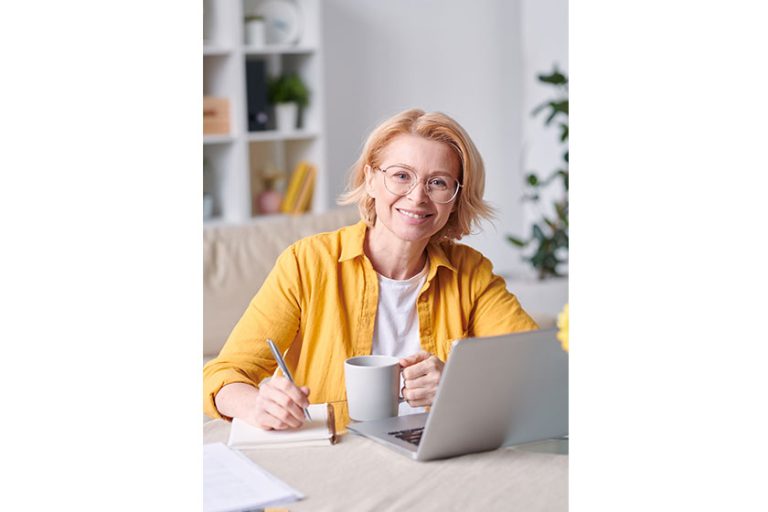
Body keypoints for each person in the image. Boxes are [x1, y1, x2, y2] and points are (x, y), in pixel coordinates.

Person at [203, 108, 538, 430]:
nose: (417, 197)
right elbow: (224, 374)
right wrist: (257, 405)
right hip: (336, 452)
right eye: (401, 176)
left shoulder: (471, 272)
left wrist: (459, 384)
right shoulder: (307, 263)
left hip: (434, 454)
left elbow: (532, 367)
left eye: (438, 183)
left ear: (455, 199)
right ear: (371, 180)